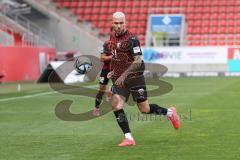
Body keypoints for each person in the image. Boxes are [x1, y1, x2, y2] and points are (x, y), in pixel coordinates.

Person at [107, 11, 180, 147]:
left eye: (121, 23)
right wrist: (114, 71)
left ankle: (170, 113)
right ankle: (128, 138)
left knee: (144, 109)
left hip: (135, 77)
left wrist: (123, 76)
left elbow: (137, 61)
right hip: (120, 79)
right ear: (112, 23)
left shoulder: (132, 39)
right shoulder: (112, 38)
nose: (118, 26)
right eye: (116, 23)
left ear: (125, 23)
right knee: (116, 105)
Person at [92, 41, 113, 116]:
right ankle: (96, 107)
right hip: (106, 70)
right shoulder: (107, 45)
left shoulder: (120, 46)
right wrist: (112, 57)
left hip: (116, 69)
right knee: (101, 90)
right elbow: (102, 58)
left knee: (120, 86)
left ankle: (111, 90)